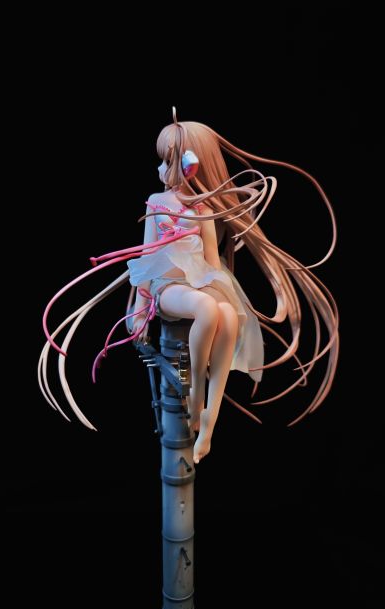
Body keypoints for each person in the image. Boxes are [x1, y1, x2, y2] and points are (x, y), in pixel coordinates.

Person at [40, 107, 339, 465]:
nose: (162, 169)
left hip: (198, 282)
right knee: (208, 308)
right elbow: (147, 257)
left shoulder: (204, 210)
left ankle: (209, 421)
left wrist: (224, 290)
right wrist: (140, 309)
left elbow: (212, 262)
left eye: (169, 161)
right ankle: (195, 394)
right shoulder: (158, 203)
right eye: (163, 160)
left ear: (191, 165)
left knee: (227, 314)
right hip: (166, 288)